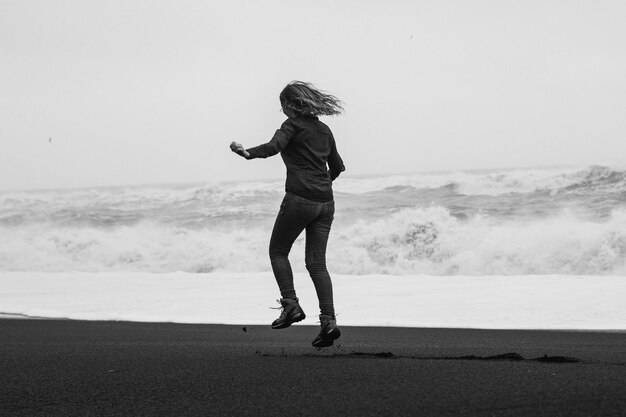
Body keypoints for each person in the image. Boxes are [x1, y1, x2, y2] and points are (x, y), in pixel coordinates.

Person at [229, 81, 345, 348]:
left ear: (292, 105)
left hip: (299, 199)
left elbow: (273, 147)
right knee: (317, 264)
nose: (281, 110)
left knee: (278, 252)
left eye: (282, 105)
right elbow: (337, 167)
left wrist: (248, 154)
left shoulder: (292, 126)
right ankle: (328, 321)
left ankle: (291, 304)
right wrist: (322, 183)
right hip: (326, 203)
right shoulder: (324, 130)